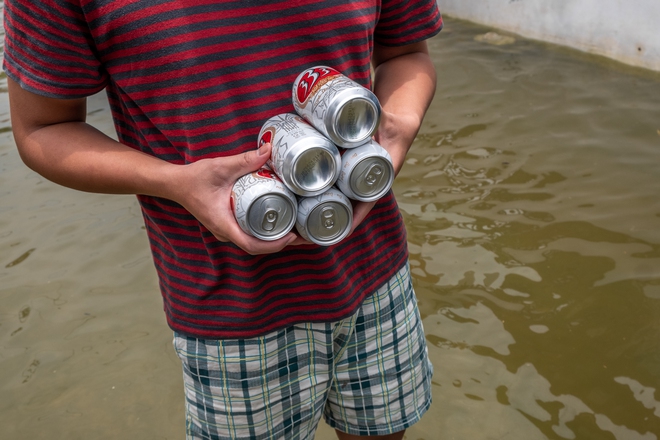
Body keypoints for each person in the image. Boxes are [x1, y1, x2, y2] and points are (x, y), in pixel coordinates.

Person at [3, 1, 443, 439]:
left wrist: (396, 127)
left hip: (376, 275)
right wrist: (175, 182)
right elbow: (41, 129)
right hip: (231, 313)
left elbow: (405, 53)